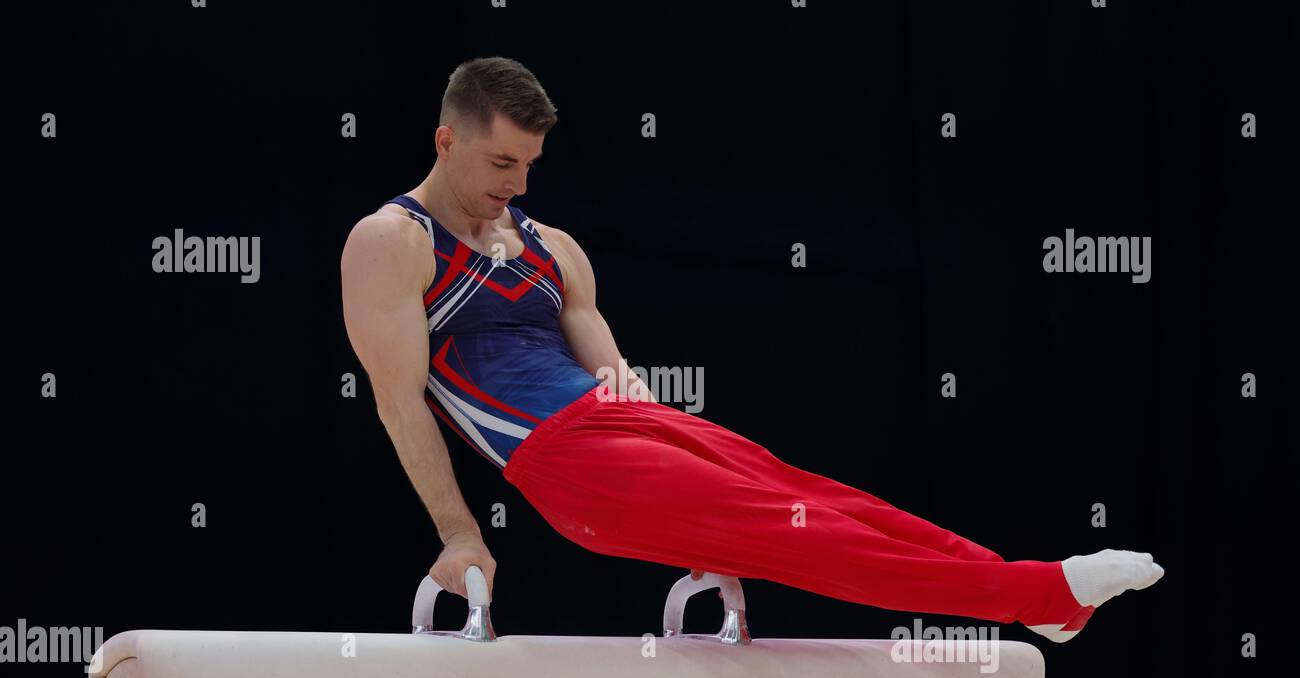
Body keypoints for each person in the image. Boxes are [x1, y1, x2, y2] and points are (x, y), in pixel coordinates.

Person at [340, 57, 1164, 643]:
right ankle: (1037, 592)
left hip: (630, 425)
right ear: (445, 141)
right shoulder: (392, 243)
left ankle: (1038, 597)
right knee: (806, 536)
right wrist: (458, 534)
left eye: (530, 163)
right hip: (563, 464)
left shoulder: (552, 244)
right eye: (500, 162)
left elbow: (618, 380)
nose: (518, 182)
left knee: (828, 503)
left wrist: (702, 518)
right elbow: (396, 398)